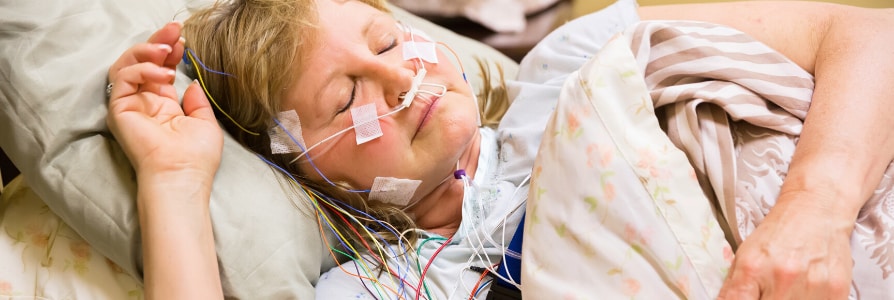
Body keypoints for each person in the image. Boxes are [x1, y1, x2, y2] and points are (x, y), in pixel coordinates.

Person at [105, 0, 894, 298]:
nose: (398, 76)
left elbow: (866, 33)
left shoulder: (571, 68)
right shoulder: (380, 291)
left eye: (387, 39)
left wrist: (814, 214)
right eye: (346, 99)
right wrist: (173, 177)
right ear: (300, 167)